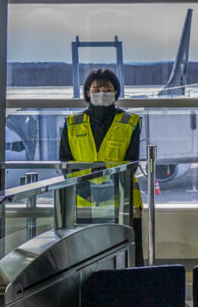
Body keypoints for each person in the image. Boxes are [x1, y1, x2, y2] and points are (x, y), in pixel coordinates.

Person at [59, 67, 144, 264]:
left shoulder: (130, 121)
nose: (101, 93)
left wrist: (108, 190)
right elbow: (66, 162)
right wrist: (84, 189)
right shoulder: (72, 122)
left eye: (107, 89)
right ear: (87, 93)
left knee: (126, 258)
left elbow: (131, 161)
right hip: (84, 202)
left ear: (116, 91)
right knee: (86, 259)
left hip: (122, 200)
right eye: (96, 89)